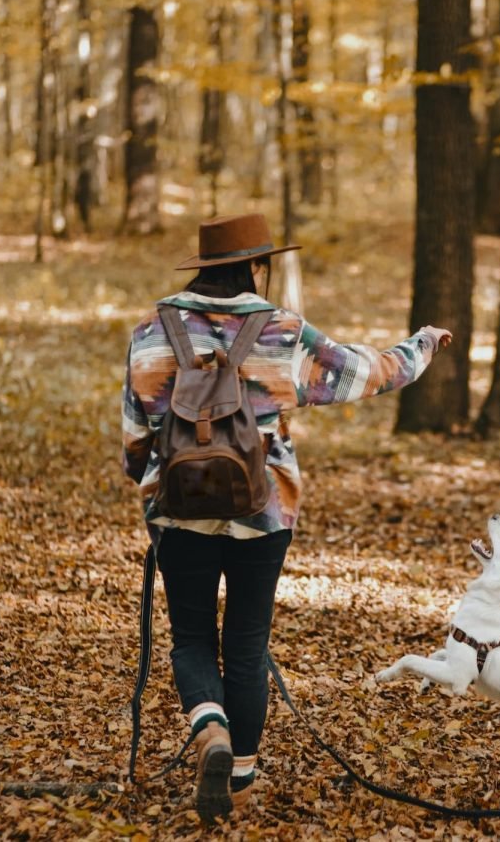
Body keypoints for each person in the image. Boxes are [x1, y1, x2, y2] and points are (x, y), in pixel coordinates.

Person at [121, 213, 451, 824]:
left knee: (191, 637)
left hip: (177, 514)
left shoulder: (150, 330)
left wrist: (152, 490)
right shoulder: (282, 331)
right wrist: (423, 345)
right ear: (257, 266)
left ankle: (210, 727)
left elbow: (136, 436)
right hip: (263, 513)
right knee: (247, 645)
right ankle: (239, 785)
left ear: (202, 266)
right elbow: (364, 373)